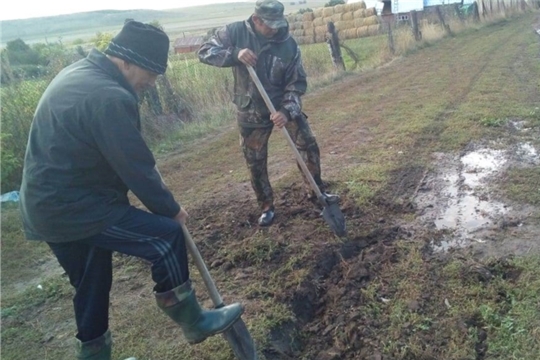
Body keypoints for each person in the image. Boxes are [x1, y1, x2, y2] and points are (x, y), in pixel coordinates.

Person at [19, 21, 243, 360]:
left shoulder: (79, 74)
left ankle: (94, 355)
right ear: (126, 61)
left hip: (45, 206)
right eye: (150, 74)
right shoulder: (109, 95)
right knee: (166, 238)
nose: (151, 84)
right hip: (74, 206)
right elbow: (134, 165)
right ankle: (194, 321)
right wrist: (169, 208)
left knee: (91, 283)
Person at [198, 0, 337, 227]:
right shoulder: (234, 32)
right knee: (255, 160)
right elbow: (204, 51)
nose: (275, 29)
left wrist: (286, 110)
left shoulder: (288, 44)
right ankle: (266, 206)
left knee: (308, 146)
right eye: (270, 24)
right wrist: (235, 53)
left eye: (278, 23)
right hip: (250, 109)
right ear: (256, 20)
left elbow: (297, 83)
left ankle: (317, 192)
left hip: (282, 105)